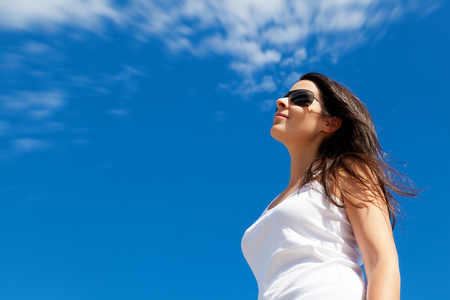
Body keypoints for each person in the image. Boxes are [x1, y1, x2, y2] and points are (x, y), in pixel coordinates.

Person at [241, 72, 417, 300]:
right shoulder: (275, 204)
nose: (281, 101)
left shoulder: (347, 171)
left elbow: (381, 260)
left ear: (330, 123)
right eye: (284, 96)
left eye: (300, 98)